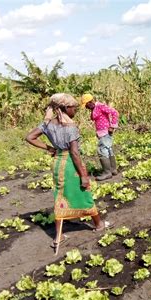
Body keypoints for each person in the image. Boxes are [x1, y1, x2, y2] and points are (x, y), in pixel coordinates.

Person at [26, 93, 109, 252]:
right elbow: (75, 154)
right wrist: (84, 175)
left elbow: (30, 137)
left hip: (58, 164)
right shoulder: (70, 127)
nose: (75, 111)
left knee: (60, 197)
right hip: (71, 164)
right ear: (65, 108)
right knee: (84, 192)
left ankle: (58, 236)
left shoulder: (47, 124)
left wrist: (49, 148)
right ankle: (98, 224)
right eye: (73, 108)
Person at [80, 94, 119, 181]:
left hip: (106, 131)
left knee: (102, 150)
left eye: (86, 105)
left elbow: (114, 112)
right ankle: (113, 170)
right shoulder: (94, 108)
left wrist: (112, 126)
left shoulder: (100, 106)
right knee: (108, 149)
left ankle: (107, 172)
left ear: (90, 102)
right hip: (102, 132)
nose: (86, 107)